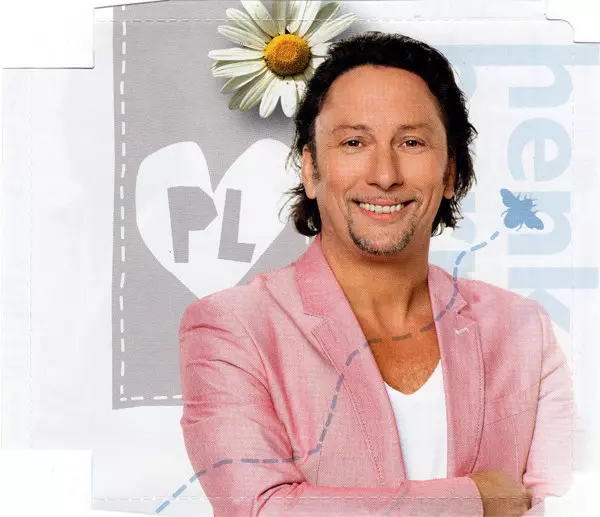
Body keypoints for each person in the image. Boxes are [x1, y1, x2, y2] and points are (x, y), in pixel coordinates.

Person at [180, 32, 577, 516]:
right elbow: (259, 509)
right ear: (310, 169)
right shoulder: (232, 328)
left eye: (411, 142)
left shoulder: (522, 327)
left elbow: (568, 503)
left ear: (449, 173)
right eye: (354, 142)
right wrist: (474, 500)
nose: (385, 174)